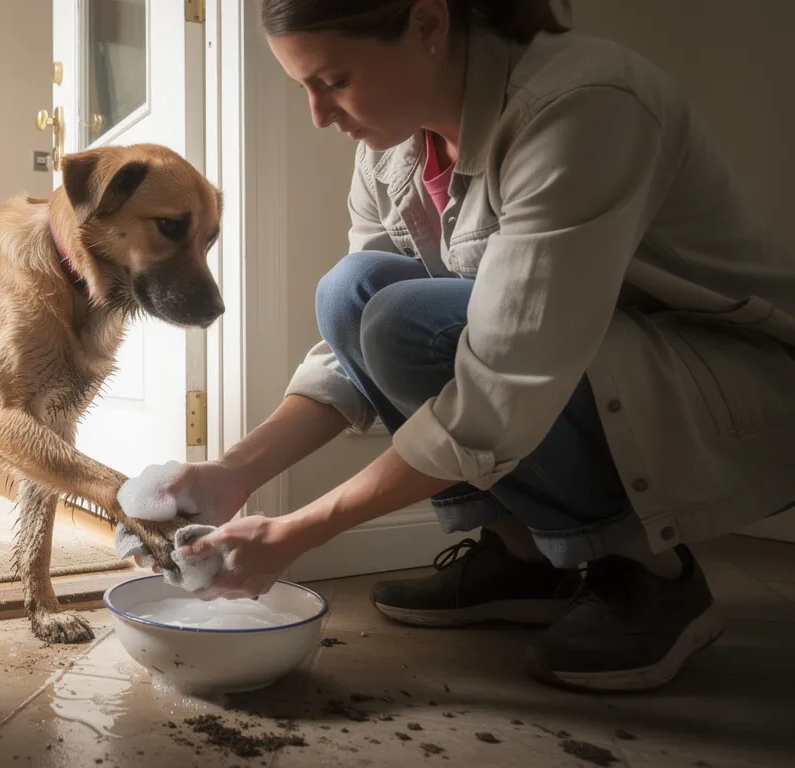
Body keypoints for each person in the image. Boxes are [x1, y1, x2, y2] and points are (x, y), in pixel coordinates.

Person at [162, 0, 795, 693]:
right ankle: (520, 558)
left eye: (334, 81)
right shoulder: (392, 147)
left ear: (428, 24)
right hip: (583, 371)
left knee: (403, 318)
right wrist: (235, 472)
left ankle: (650, 574)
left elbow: (504, 378)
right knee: (354, 291)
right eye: (305, 87)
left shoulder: (585, 104)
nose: (319, 114)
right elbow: (351, 352)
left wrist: (299, 532)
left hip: (726, 386)